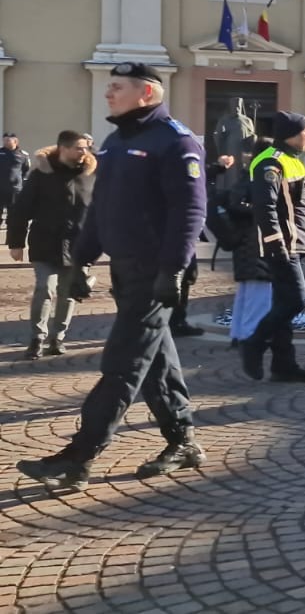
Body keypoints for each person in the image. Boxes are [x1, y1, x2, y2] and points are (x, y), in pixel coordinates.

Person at [15, 63, 207, 491]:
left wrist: (174, 269)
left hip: (158, 271)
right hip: (126, 268)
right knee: (156, 360)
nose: (108, 94)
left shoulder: (176, 142)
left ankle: (79, 455)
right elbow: (101, 207)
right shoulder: (118, 140)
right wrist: (83, 259)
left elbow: (189, 212)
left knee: (123, 363)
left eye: (117, 87)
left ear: (146, 93)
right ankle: (184, 442)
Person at [239, 111, 305, 382]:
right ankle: (254, 343)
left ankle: (283, 365)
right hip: (282, 246)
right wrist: (275, 245)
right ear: (292, 134)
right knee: (295, 301)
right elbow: (265, 206)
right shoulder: (271, 162)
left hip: (294, 243)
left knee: (284, 303)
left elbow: (298, 208)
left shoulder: (292, 161)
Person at [7, 130, 96, 359]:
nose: (83, 152)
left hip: (77, 246)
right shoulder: (41, 174)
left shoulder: (91, 175)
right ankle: (37, 338)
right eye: (79, 147)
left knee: (68, 293)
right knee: (44, 289)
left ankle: (58, 339)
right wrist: (15, 242)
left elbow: (99, 212)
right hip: (45, 242)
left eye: (85, 147)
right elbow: (21, 209)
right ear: (63, 148)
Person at [211, 97, 254, 194]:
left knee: (242, 169)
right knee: (231, 170)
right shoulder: (224, 120)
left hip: (243, 150)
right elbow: (218, 135)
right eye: (234, 107)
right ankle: (228, 189)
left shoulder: (247, 121)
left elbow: (251, 135)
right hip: (230, 149)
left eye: (238, 107)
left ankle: (242, 188)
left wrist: (253, 138)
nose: (236, 109)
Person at [0, 131, 28, 231]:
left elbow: (25, 170)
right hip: (0, 189)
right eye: (4, 140)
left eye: (8, 140)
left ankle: (9, 239)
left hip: (14, 190)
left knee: (13, 215)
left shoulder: (23, 155)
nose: (5, 142)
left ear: (15, 141)